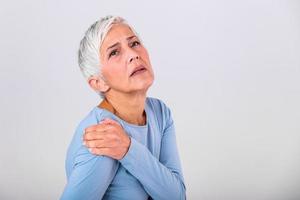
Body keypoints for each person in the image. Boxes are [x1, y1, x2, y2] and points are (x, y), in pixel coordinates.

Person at [60, 15, 186, 200]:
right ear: (98, 82)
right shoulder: (101, 138)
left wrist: (128, 149)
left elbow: (176, 196)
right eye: (114, 52)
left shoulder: (160, 113)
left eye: (134, 43)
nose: (133, 54)